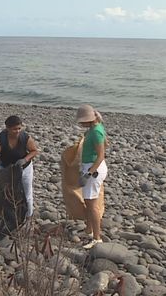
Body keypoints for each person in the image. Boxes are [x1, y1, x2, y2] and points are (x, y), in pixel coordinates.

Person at [0, 115, 39, 218]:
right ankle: (10, 217)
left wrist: (24, 159)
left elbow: (34, 151)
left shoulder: (25, 137)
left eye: (19, 128)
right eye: (14, 129)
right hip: (6, 168)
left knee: (27, 193)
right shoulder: (1, 139)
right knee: (7, 194)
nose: (17, 131)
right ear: (7, 128)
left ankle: (28, 217)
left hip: (24, 168)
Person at [76, 104, 108, 249]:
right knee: (88, 202)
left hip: (93, 169)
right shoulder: (96, 128)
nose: (81, 123)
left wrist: (89, 173)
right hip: (89, 166)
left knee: (92, 204)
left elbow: (101, 155)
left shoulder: (96, 132)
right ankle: (89, 230)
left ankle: (97, 237)